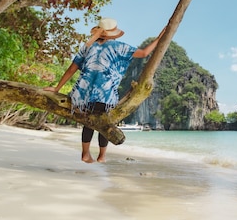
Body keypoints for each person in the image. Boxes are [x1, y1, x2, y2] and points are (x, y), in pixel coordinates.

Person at [44, 18, 165, 163]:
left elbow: (72, 68)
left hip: (83, 94)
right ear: (112, 33)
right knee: (105, 122)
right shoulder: (118, 46)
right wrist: (159, 38)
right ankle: (101, 156)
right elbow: (144, 53)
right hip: (105, 93)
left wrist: (57, 88)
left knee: (88, 121)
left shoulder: (88, 46)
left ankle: (86, 153)